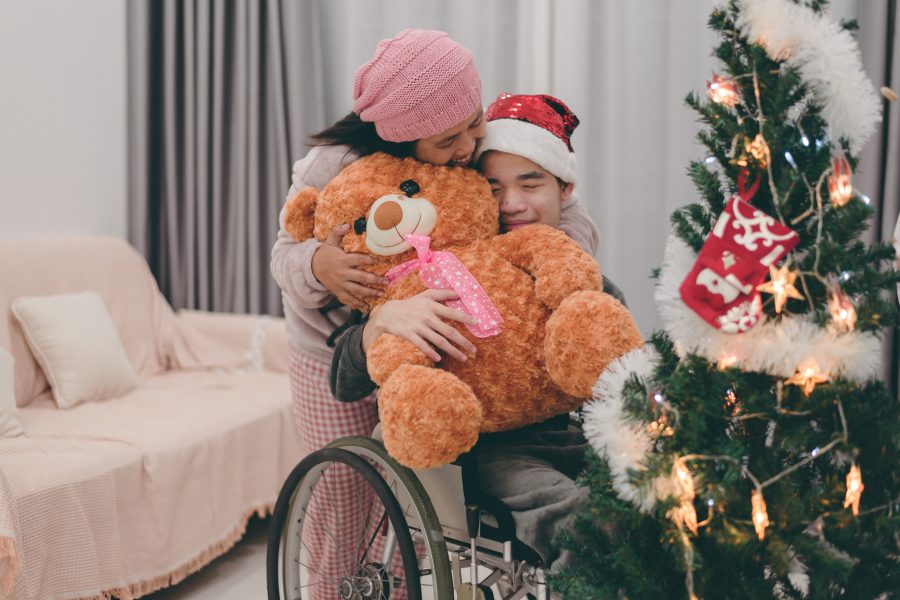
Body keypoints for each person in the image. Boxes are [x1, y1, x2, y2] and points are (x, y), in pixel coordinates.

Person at [270, 31, 601, 598]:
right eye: (451, 138)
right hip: (334, 341)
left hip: (436, 331)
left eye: (474, 123)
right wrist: (319, 262)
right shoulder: (334, 166)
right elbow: (283, 249)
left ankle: (406, 587)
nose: (470, 144)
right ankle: (330, 588)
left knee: (423, 495)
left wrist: (553, 260)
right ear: (399, 138)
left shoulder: (469, 150)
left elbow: (561, 211)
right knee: (348, 496)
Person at [330, 93, 622, 574]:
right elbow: (344, 378)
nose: (511, 204)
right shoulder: (422, 276)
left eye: (530, 184)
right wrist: (380, 325)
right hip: (489, 452)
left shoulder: (571, 269)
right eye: (491, 188)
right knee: (582, 517)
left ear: (564, 190)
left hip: (575, 432)